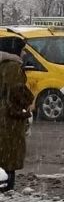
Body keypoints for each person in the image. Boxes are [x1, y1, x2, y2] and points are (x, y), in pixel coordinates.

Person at [0, 35, 34, 193]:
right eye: (22, 50)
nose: (24, 53)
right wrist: (29, 99)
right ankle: (7, 191)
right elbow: (16, 92)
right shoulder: (12, 66)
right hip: (7, 121)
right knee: (8, 158)